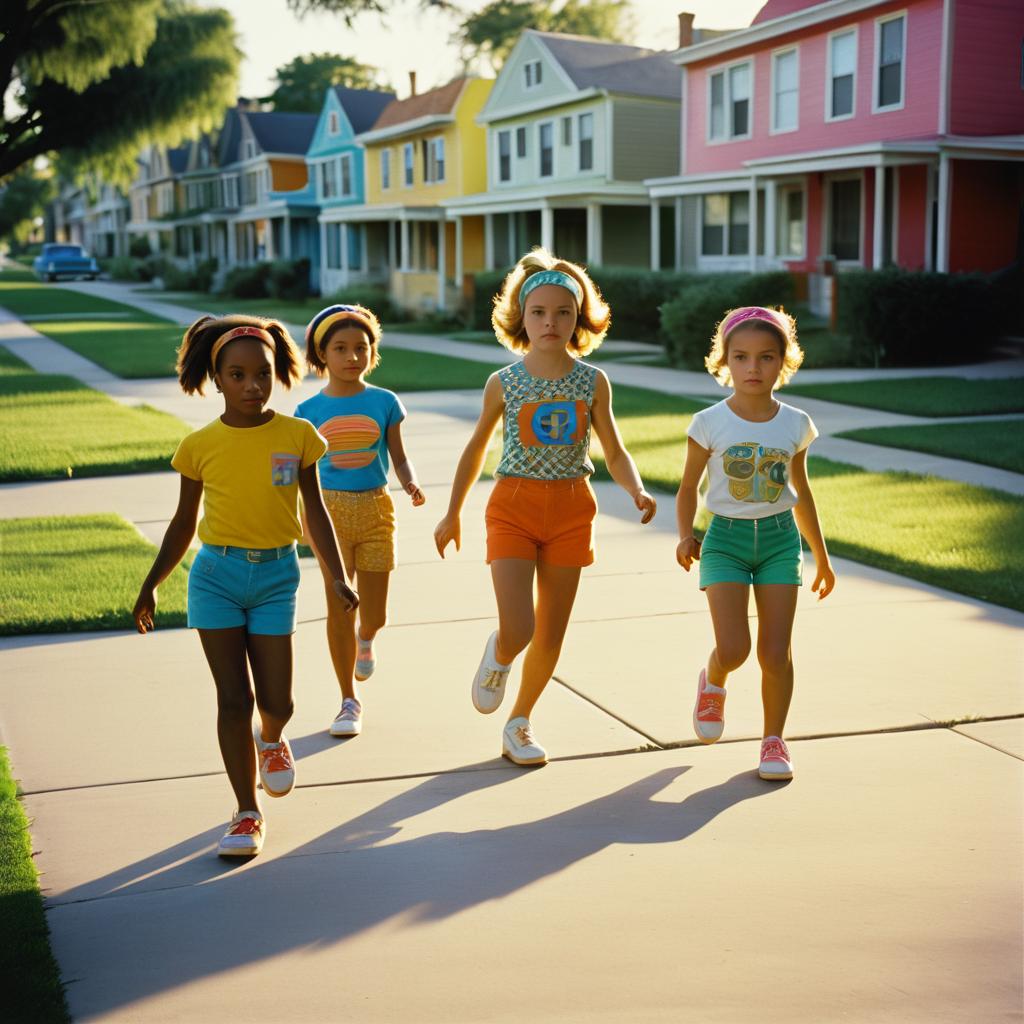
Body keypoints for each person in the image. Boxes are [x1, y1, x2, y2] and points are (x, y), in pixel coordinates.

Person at [132, 314, 358, 857]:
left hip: (277, 576)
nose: (252, 386)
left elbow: (315, 511)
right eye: (237, 375)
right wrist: (151, 584)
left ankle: (272, 740)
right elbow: (184, 522)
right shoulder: (198, 446)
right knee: (234, 699)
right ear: (217, 379)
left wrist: (336, 574)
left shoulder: (298, 436)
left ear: (276, 372)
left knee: (277, 700)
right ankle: (246, 812)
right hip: (216, 578)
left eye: (262, 374)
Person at [434, 248, 657, 766]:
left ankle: (520, 722)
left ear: (579, 319)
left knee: (551, 631)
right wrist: (452, 513)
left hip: (571, 509)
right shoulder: (503, 382)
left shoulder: (593, 381)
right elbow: (475, 450)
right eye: (538, 312)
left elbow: (614, 449)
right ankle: (501, 651)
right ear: (521, 317)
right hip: (512, 503)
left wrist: (637, 489)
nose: (550, 322)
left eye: (563, 312)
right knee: (520, 627)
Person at [675, 305, 835, 781]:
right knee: (734, 648)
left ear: (783, 362)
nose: (753, 368)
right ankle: (714, 680)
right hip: (723, 540)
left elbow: (801, 492)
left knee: (774, 651)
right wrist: (685, 533)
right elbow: (687, 488)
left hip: (781, 542)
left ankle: (774, 741)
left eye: (766, 357)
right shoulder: (708, 422)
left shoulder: (796, 424)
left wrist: (822, 556)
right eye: (741, 357)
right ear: (724, 360)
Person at [295, 304, 425, 738]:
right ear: (322, 355)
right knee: (338, 607)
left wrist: (410, 483)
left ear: (372, 352)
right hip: (327, 515)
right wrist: (286, 509)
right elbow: (291, 470)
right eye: (341, 348)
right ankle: (348, 700)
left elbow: (399, 456)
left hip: (375, 509)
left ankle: (366, 638)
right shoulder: (306, 411)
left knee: (375, 613)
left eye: (361, 348)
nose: (352, 357)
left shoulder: (385, 402)